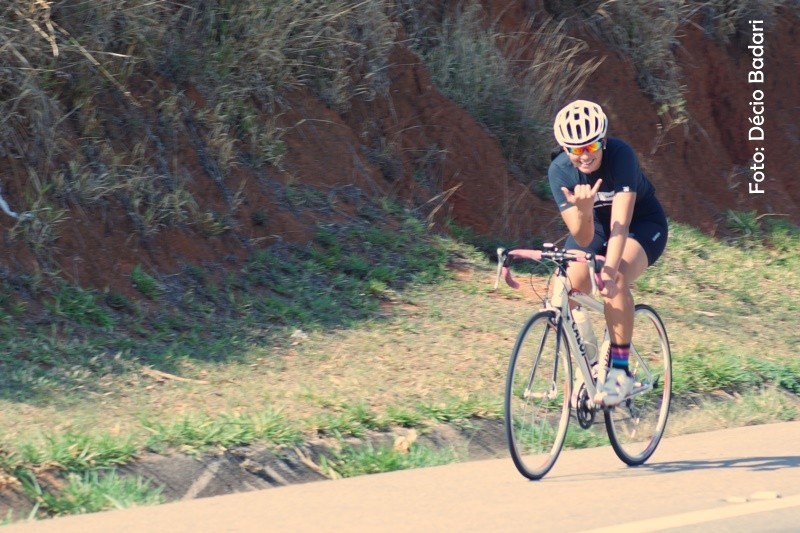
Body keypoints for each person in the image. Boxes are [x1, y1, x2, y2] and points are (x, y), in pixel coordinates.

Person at [547, 99, 668, 407]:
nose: (585, 156)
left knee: (616, 280)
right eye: (575, 150)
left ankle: (620, 371)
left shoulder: (620, 156)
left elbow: (620, 223)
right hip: (596, 228)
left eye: (592, 146)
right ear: (564, 148)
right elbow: (583, 236)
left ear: (603, 139)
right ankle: (589, 369)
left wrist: (611, 272)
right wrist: (584, 211)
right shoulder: (559, 172)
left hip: (640, 224)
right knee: (561, 291)